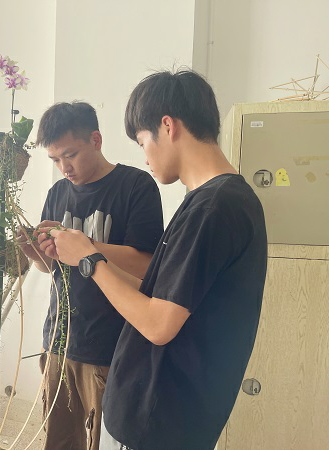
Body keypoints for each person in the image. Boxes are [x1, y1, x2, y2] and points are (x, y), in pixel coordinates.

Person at [43, 71, 267, 450]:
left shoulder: (213, 207)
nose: (144, 156)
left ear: (167, 126)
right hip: (163, 416)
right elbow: (158, 296)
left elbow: (159, 325)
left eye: (142, 141)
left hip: (161, 421)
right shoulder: (209, 201)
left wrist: (90, 259)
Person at [18, 101, 164, 450]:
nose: (63, 167)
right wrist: (35, 253)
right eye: (55, 159)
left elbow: (146, 266)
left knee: (104, 441)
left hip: (110, 347)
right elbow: (52, 267)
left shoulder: (135, 186)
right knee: (60, 441)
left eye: (70, 155)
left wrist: (85, 246)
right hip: (59, 342)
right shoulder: (57, 193)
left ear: (96, 140)